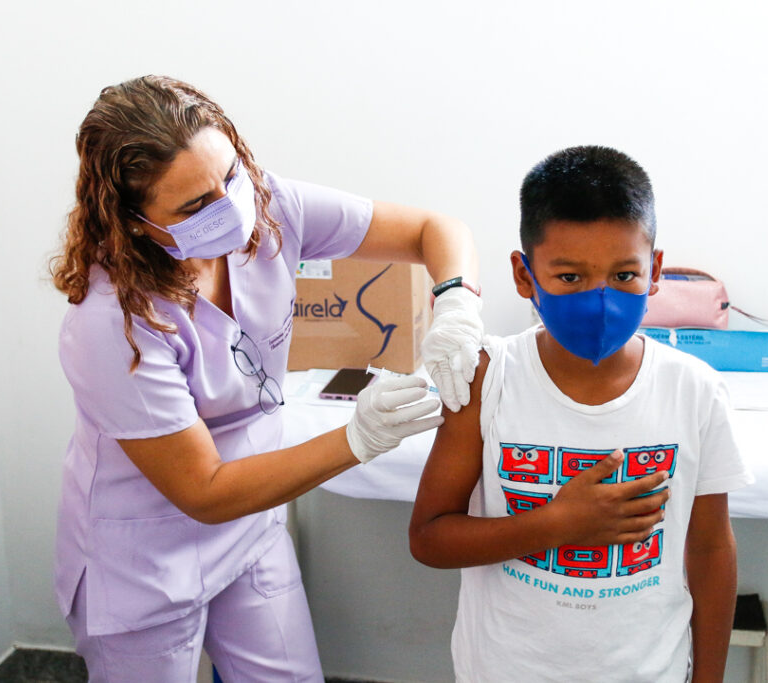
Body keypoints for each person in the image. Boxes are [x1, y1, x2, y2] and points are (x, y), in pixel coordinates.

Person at [50, 75, 482, 683]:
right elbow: (204, 490)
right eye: (193, 207)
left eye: (229, 177)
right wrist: (359, 438)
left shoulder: (270, 205)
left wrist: (456, 300)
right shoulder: (111, 323)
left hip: (251, 522)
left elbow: (432, 229)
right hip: (144, 558)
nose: (229, 207)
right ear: (134, 221)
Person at [409, 146, 753, 682]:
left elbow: (709, 550)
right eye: (570, 277)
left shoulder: (694, 390)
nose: (600, 300)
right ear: (525, 276)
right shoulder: (486, 379)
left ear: (655, 270)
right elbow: (429, 538)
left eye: (624, 274)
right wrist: (557, 525)